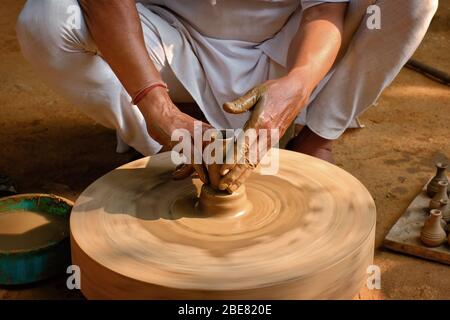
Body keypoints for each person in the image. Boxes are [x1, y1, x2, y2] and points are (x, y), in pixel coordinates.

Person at [16, 0, 438, 192]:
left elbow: (324, 9)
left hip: (284, 45)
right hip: (162, 42)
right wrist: (158, 107)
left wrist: (299, 82)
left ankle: (315, 138)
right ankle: (168, 145)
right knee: (47, 18)